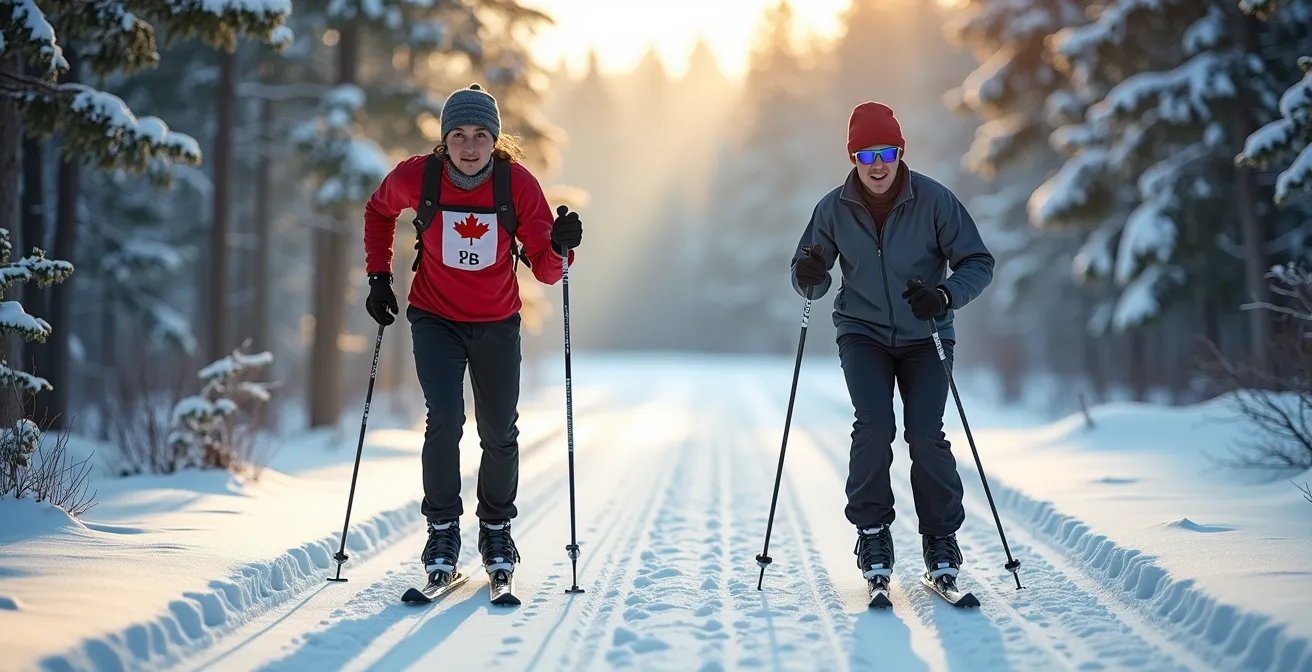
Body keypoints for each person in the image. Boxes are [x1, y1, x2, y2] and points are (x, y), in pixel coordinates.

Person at [360, 83, 583, 590]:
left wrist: (562, 246)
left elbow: (548, 271)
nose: (469, 145)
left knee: (499, 430)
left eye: (481, 135)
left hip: (497, 322)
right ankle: (441, 531)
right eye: (458, 134)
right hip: (434, 316)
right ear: (444, 139)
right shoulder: (418, 176)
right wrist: (378, 277)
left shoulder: (517, 185)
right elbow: (378, 210)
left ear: (495, 140)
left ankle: (496, 530)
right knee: (444, 418)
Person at [790, 102, 994, 591]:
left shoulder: (934, 200)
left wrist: (944, 295)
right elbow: (808, 278)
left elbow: (977, 263)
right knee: (875, 423)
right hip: (862, 334)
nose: (876, 164)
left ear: (900, 152)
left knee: (924, 432)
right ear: (853, 158)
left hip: (927, 336)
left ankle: (941, 538)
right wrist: (808, 274)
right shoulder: (833, 208)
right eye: (865, 154)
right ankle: (873, 532)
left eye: (885, 152)